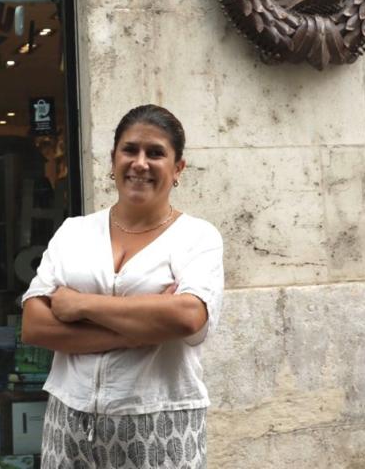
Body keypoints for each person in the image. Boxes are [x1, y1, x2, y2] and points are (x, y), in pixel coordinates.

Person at [21, 105, 224, 469]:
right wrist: (137, 333)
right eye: (130, 150)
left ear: (178, 169)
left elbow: (188, 315)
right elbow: (35, 325)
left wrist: (81, 305)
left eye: (156, 153)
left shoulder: (197, 237)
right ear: (113, 160)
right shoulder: (74, 232)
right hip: (70, 418)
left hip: (160, 419)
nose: (140, 163)